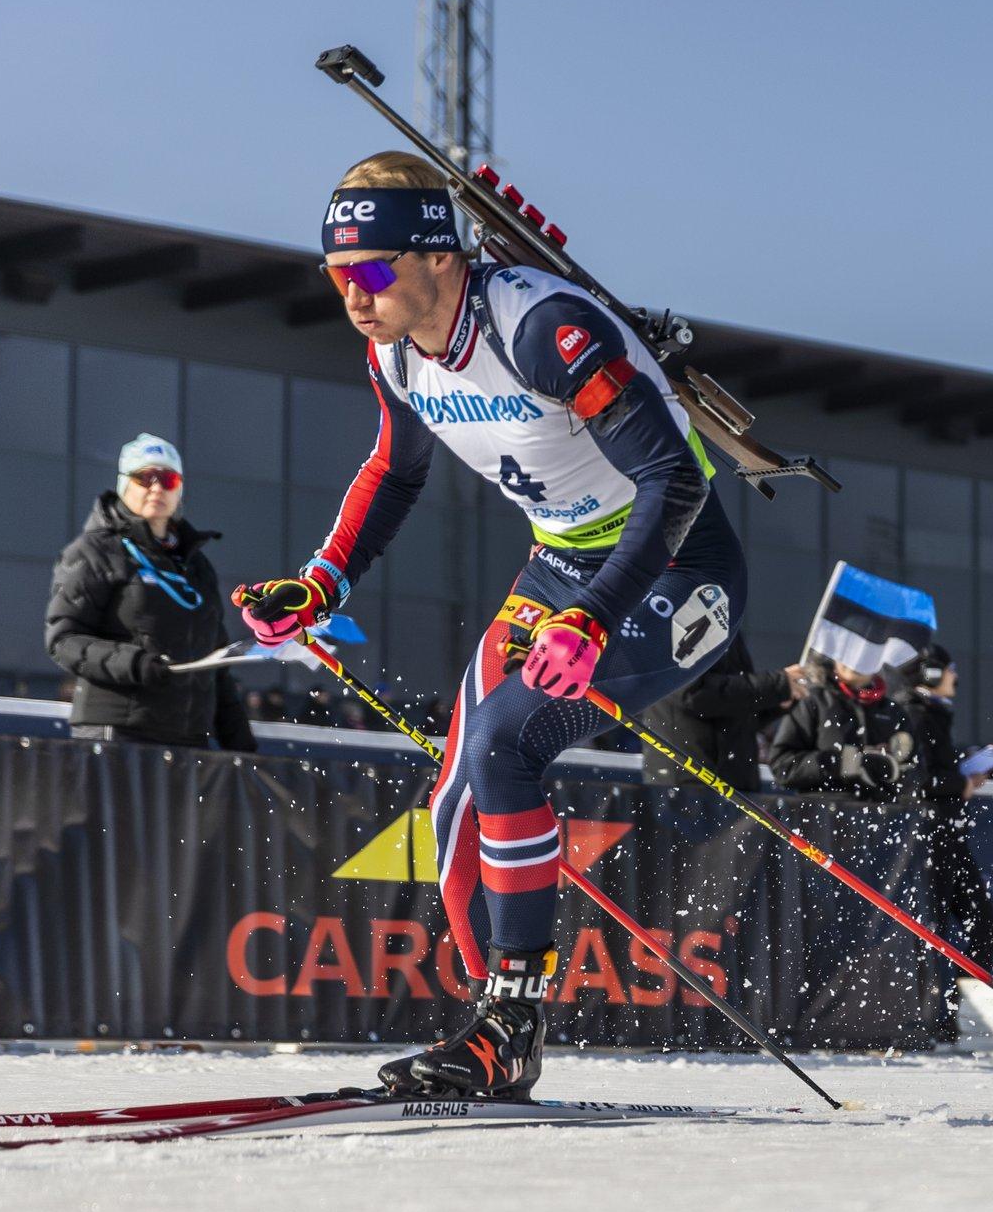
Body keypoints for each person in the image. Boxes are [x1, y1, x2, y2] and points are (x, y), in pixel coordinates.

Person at [234, 152, 744, 1099]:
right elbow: (395, 471)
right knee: (455, 800)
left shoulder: (543, 329)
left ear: (438, 258)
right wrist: (320, 586)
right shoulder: (392, 345)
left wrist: (592, 619)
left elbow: (673, 481)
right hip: (561, 566)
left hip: (673, 567)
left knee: (510, 739)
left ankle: (513, 1021)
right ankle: (493, 1025)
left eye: (375, 269)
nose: (356, 293)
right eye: (338, 273)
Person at [46, 433, 255, 753]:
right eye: (145, 477)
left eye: (167, 479)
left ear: (179, 489)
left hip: (189, 737)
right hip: (118, 733)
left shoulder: (196, 566)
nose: (157, 488)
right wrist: (134, 662)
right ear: (124, 484)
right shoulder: (93, 551)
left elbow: (216, 664)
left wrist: (241, 746)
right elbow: (63, 640)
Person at [894, 643, 993, 982]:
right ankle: (938, 1016)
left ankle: (957, 1008)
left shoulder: (934, 713)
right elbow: (915, 779)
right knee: (933, 932)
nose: (956, 675)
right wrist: (961, 784)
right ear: (932, 673)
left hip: (947, 836)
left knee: (984, 927)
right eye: (950, 667)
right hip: (927, 839)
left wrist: (962, 777)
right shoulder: (913, 715)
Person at [639, 637, 804, 791]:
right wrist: (775, 685)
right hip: (689, 782)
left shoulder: (728, 622)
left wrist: (776, 701)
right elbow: (694, 694)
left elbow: (733, 712)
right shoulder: (678, 614)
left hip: (734, 784)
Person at [767, 658, 925, 801]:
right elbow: (783, 766)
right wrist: (844, 763)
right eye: (848, 652)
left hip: (880, 819)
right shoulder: (813, 701)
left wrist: (894, 771)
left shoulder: (893, 711)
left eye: (866, 654)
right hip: (823, 817)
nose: (856, 660)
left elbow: (917, 772)